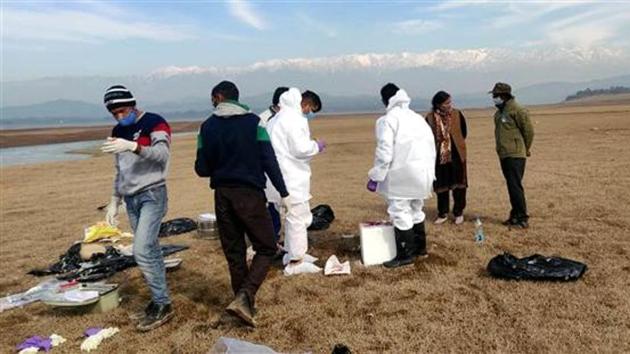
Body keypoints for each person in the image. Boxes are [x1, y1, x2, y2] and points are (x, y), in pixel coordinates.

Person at [194, 81, 290, 327]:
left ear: (218, 97)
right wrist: (283, 192)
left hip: (222, 195)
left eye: (212, 99)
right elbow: (269, 160)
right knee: (267, 246)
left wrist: (222, 162)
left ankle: (243, 306)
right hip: (250, 195)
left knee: (234, 252)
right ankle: (245, 297)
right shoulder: (254, 123)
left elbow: (202, 169)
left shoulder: (206, 127)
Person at [101, 84, 174, 332]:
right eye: (114, 114)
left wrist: (134, 146)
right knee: (150, 250)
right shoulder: (117, 130)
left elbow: (162, 155)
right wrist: (114, 200)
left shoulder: (155, 122)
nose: (120, 117)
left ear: (132, 105)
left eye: (122, 111)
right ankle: (159, 301)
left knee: (141, 250)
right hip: (131, 198)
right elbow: (120, 170)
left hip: (152, 194)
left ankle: (163, 304)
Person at [367, 83, 436, 268]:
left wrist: (376, 175)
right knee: (416, 209)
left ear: (385, 100)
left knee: (399, 211)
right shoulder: (417, 118)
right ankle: (420, 249)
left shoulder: (388, 120)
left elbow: (384, 152)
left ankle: (404, 254)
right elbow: (432, 147)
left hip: (401, 175)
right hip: (423, 174)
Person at [265, 88, 325, 275]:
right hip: (291, 179)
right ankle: (296, 261)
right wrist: (316, 145)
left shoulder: (275, 119)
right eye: (310, 109)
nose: (309, 114)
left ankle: (292, 253)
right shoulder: (294, 119)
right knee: (299, 218)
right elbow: (300, 149)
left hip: (276, 180)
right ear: (305, 104)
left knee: (291, 218)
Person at [489, 82, 534, 229]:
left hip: (515, 154)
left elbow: (528, 131)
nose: (494, 98)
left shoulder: (517, 110)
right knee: (511, 186)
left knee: (515, 186)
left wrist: (524, 148)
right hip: (504, 154)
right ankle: (514, 216)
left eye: (496, 95)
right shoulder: (499, 112)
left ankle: (522, 218)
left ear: (504, 96)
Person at [425, 91, 468, 225]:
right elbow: (426, 137)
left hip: (456, 154)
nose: (450, 105)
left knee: (459, 185)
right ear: (438, 104)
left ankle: (458, 212)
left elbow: (464, 132)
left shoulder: (457, 114)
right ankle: (442, 213)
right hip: (439, 156)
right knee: (441, 185)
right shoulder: (430, 118)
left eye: (450, 102)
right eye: (446, 103)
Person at [260, 86, 290, 245]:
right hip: (268, 169)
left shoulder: (282, 117)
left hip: (280, 168)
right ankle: (273, 238)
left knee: (280, 204)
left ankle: (279, 236)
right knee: (271, 204)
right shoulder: (265, 119)